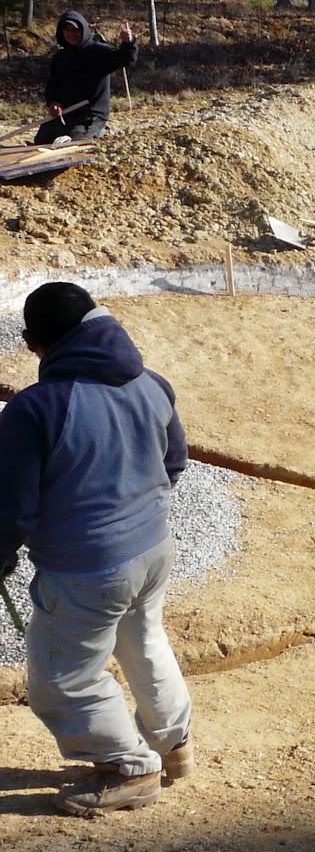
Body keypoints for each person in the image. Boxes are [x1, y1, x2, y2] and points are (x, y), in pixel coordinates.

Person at [0, 283, 193, 816]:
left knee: (64, 678)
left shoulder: (35, 408)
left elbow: (12, 506)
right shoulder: (152, 383)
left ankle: (127, 770)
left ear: (34, 341)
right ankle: (172, 745)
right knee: (144, 640)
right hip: (155, 546)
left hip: (88, 568)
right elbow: (173, 463)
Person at [33, 12, 137, 146]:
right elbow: (53, 85)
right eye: (68, 30)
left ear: (83, 30)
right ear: (62, 32)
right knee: (41, 141)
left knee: (69, 142)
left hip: (91, 116)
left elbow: (126, 58)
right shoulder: (60, 57)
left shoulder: (98, 51)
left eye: (76, 30)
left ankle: (100, 132)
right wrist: (53, 102)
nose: (72, 34)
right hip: (67, 114)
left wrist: (129, 43)